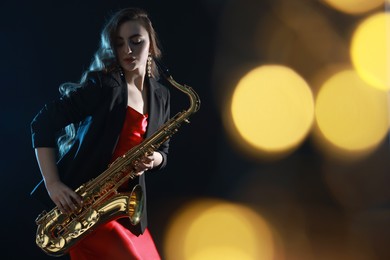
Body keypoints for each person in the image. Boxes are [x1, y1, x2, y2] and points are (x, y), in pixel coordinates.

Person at [30, 7, 170, 260]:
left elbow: (164, 151)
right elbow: (42, 124)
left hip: (125, 212)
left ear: (151, 43)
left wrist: (154, 160)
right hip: (85, 209)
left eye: (136, 41)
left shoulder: (161, 95)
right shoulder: (104, 86)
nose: (128, 50)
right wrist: (53, 184)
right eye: (119, 44)